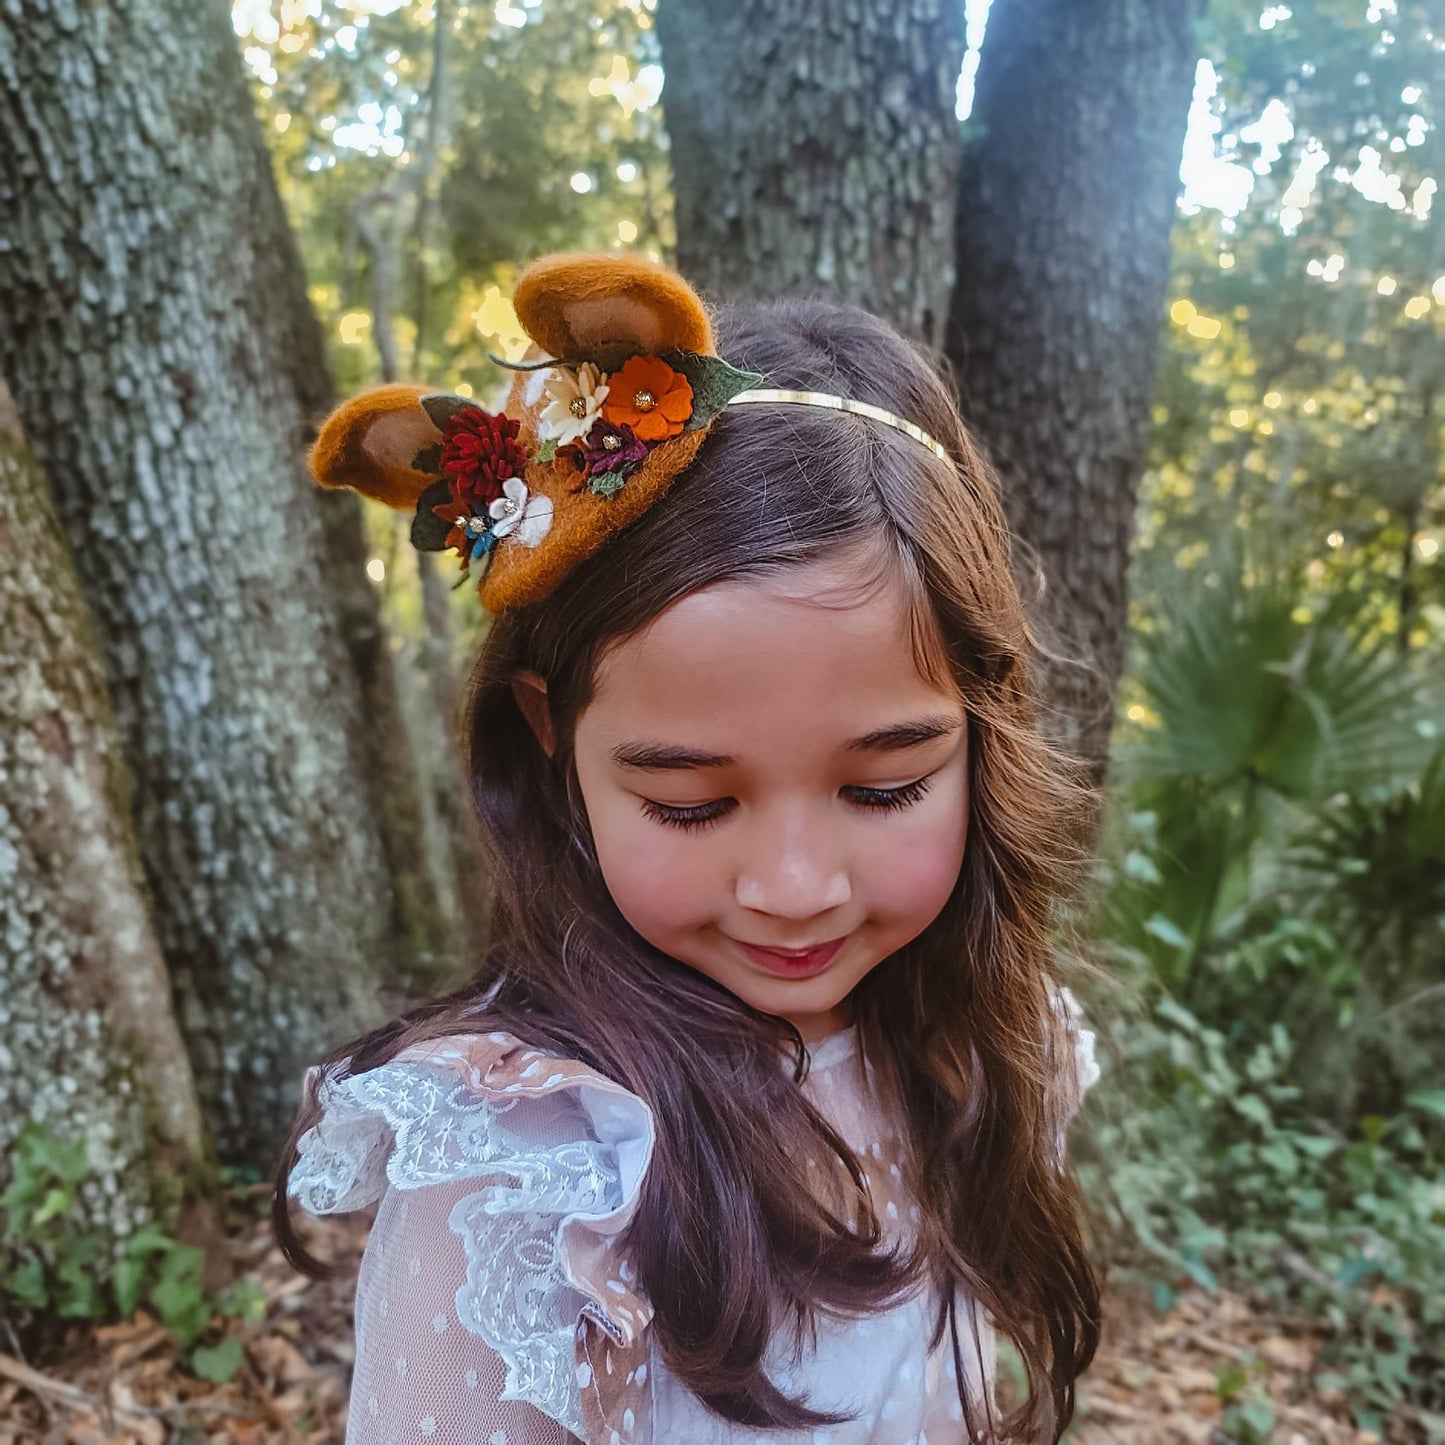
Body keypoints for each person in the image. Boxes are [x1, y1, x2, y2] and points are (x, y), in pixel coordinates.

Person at [273, 251, 1104, 1445]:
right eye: (688, 804)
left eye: (883, 787)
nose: (793, 887)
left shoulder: (986, 1056)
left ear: (981, 733)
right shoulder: (525, 1171)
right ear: (550, 738)